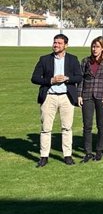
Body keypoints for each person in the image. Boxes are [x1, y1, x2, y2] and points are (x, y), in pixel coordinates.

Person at [31, 34, 83, 167]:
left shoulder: (72, 59)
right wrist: (50, 81)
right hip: (49, 97)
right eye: (55, 43)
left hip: (67, 97)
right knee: (46, 128)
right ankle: (44, 156)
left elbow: (79, 77)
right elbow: (35, 78)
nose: (56, 45)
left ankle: (67, 155)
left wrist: (67, 78)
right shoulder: (44, 59)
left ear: (66, 45)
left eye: (59, 43)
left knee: (67, 127)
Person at [77, 36, 103, 163]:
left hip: (102, 96)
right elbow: (81, 79)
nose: (94, 49)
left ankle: (99, 150)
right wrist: (79, 95)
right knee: (87, 125)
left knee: (101, 125)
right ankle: (88, 152)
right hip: (87, 96)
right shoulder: (85, 61)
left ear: (102, 48)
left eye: (97, 47)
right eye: (93, 46)